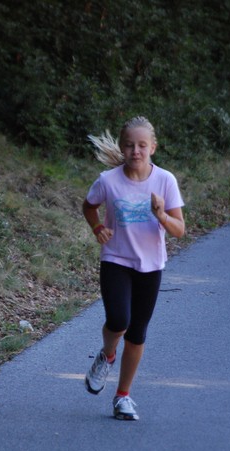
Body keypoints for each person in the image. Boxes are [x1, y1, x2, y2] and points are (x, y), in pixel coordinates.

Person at [83, 116, 185, 421]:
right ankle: (107, 355)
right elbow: (88, 205)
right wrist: (98, 227)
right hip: (115, 260)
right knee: (118, 320)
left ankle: (122, 397)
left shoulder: (165, 180)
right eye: (129, 145)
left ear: (153, 147)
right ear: (122, 147)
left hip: (151, 265)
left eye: (142, 145)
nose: (136, 151)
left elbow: (180, 229)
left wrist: (161, 216)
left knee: (137, 332)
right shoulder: (108, 180)